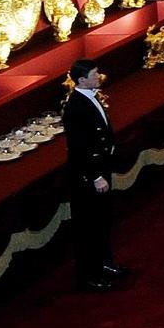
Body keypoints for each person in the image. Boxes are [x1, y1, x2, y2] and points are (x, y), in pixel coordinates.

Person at [62, 67, 132, 291]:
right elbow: (80, 146)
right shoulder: (75, 106)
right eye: (94, 74)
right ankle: (89, 276)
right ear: (81, 80)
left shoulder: (91, 97)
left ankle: (105, 264)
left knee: (102, 221)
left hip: (101, 167)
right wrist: (96, 176)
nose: (99, 77)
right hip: (89, 175)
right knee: (88, 227)